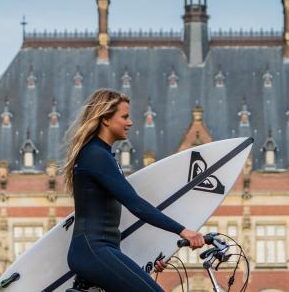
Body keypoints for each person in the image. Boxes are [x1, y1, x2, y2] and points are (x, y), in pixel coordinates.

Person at [62, 89, 204, 292]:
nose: (130, 123)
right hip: (93, 251)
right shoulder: (95, 155)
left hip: (101, 250)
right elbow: (135, 204)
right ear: (106, 119)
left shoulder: (104, 156)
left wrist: (151, 256)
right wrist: (184, 231)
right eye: (125, 116)